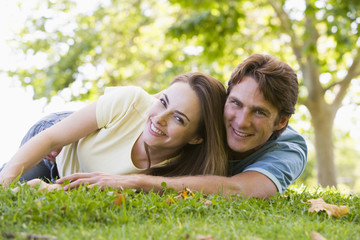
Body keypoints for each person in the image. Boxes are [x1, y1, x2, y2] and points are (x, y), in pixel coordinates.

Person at [56, 54, 307, 199]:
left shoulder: (289, 149)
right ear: (228, 96)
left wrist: (135, 182)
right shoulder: (213, 105)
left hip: (86, 167)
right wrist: (62, 135)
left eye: (260, 112)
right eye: (236, 104)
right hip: (70, 135)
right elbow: (152, 104)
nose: (241, 121)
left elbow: (241, 188)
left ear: (281, 121)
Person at [0, 72, 228, 186]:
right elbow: (50, 138)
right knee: (8, 183)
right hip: (56, 149)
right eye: (163, 102)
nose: (159, 118)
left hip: (68, 177)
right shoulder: (131, 102)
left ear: (197, 138)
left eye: (178, 119)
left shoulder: (180, 175)